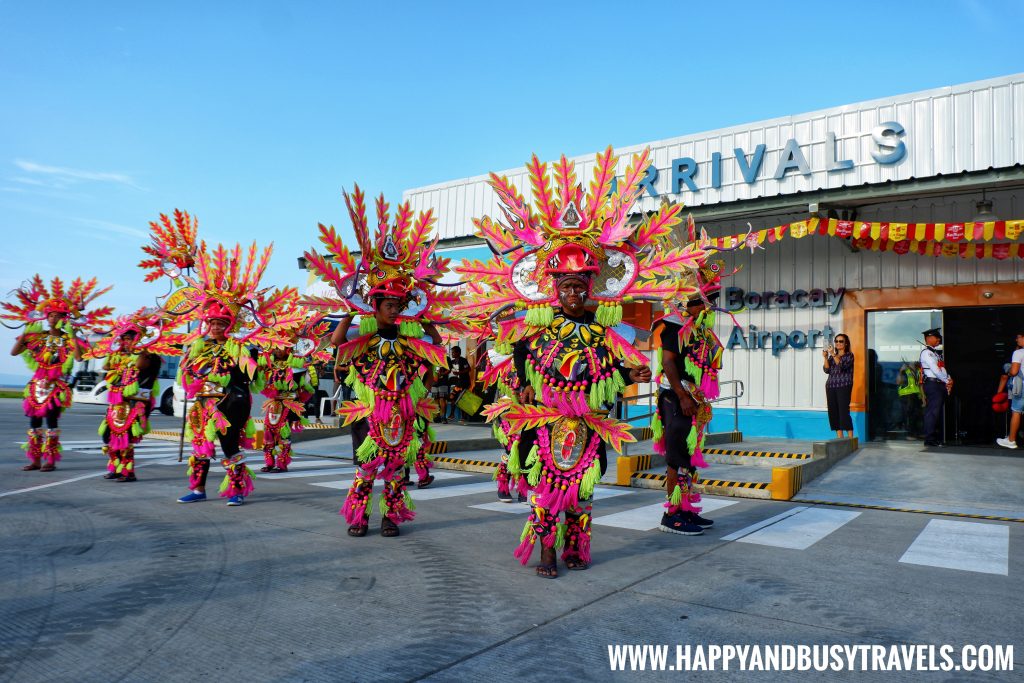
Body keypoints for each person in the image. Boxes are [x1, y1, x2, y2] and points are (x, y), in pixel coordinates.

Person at [456, 147, 701, 577]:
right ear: (555, 288)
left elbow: (608, 368)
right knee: (544, 488)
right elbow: (519, 352)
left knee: (584, 490)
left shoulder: (603, 329)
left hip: (589, 418)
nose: (572, 294)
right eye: (566, 287)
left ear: (591, 287)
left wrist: (633, 372)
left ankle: (575, 546)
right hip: (546, 416)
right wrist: (524, 382)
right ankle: (547, 552)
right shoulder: (539, 326)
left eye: (579, 287)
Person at [305, 185, 457, 537]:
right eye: (388, 304)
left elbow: (435, 349)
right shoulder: (364, 338)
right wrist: (348, 311)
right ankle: (359, 518)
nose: (394, 309)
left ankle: (390, 517)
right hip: (368, 411)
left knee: (397, 467)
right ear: (375, 306)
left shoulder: (409, 340)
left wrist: (427, 318)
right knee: (365, 466)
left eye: (398, 305)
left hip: (403, 412)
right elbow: (338, 344)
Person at [171, 240, 303, 506]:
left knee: (230, 447)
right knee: (200, 447)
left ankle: (237, 490)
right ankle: (198, 489)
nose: (216, 327)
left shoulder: (240, 346)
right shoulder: (200, 345)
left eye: (221, 323)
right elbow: (187, 373)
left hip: (232, 402)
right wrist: (189, 369)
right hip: (203, 404)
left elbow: (252, 376)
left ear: (229, 324)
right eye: (213, 323)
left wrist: (249, 359)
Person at [3, 276, 111, 471]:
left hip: (56, 386)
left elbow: (79, 358)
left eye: (58, 316)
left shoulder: (70, 339)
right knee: (34, 422)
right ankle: (35, 460)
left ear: (65, 319)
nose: (54, 318)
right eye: (51, 315)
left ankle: (50, 461)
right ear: (46, 317)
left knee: (51, 421)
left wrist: (71, 335)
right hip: (36, 385)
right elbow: (14, 352)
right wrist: (26, 332)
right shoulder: (38, 337)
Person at [92, 310, 179, 482]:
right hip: (119, 401)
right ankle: (116, 467)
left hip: (138, 402)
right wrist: (115, 349)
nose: (125, 342)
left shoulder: (150, 357)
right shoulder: (122, 356)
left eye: (129, 339)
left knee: (127, 436)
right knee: (108, 434)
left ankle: (128, 472)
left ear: (139, 339)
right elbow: (107, 366)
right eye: (123, 339)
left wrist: (142, 346)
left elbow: (139, 364)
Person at [920, 328, 953, 448]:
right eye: (936, 337)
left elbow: (942, 369)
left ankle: (934, 437)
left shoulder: (934, 353)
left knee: (937, 412)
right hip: (933, 384)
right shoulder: (927, 353)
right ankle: (929, 439)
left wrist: (948, 378)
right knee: (932, 413)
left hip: (939, 383)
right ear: (928, 338)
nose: (939, 339)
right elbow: (935, 369)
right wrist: (946, 380)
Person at [822, 333, 855, 439]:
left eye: (841, 341)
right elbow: (826, 370)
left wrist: (833, 354)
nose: (838, 343)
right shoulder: (832, 357)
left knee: (844, 411)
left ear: (846, 344)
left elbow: (842, 366)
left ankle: (850, 439)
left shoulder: (849, 355)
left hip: (844, 386)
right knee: (833, 412)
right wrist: (826, 357)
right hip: (831, 386)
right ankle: (840, 439)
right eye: (836, 341)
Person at [996, 332, 1024, 449]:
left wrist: (1008, 371)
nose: (1016, 340)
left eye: (1018, 337)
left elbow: (1013, 372)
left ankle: (1011, 440)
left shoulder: (1018, 353)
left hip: (1022, 387)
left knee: (1016, 412)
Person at [896, 361, 924, 439]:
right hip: (906, 395)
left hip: (916, 396)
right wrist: (901, 372)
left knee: (917, 415)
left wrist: (923, 397)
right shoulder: (905, 370)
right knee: (909, 415)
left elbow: (920, 385)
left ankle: (916, 432)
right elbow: (898, 382)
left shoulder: (919, 371)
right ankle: (910, 434)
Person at [447, 346, 471, 422]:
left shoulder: (463, 360)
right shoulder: (452, 361)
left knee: (462, 399)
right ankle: (452, 414)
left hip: (464, 383)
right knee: (452, 397)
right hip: (456, 384)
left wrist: (459, 372)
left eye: (454, 352)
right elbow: (448, 369)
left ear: (458, 353)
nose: (452, 354)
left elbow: (468, 369)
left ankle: (463, 417)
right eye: (452, 352)